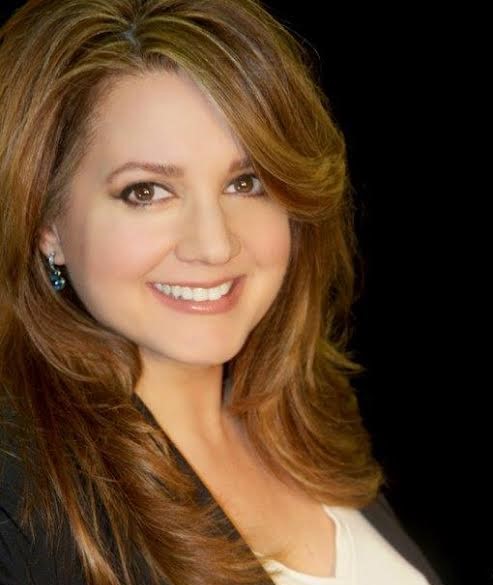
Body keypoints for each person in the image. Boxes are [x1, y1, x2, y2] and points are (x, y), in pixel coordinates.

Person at [0, 1, 445, 584]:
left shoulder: (305, 425)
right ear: (46, 224)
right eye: (146, 191)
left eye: (246, 182)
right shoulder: (18, 498)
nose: (213, 246)